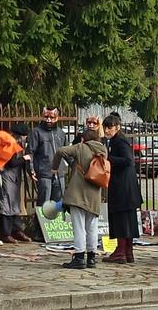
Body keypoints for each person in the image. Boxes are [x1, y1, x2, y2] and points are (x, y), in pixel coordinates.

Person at [51, 130, 108, 269]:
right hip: (94, 194)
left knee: (79, 227)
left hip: (78, 194)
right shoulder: (103, 151)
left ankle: (79, 257)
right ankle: (92, 258)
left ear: (83, 139)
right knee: (92, 227)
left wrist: (55, 168)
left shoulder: (81, 147)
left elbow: (60, 151)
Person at [102, 114, 142, 264]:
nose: (106, 130)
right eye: (105, 127)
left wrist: (108, 159)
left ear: (117, 127)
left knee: (122, 220)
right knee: (126, 220)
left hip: (123, 188)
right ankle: (126, 252)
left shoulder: (120, 140)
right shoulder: (115, 140)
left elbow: (128, 160)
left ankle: (122, 252)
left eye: (109, 127)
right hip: (124, 188)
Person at [0, 124, 33, 243]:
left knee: (15, 204)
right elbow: (11, 162)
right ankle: (5, 232)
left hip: (15, 176)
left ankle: (15, 229)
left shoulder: (16, 143)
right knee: (7, 203)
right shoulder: (11, 143)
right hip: (8, 175)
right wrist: (25, 158)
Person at [27, 107, 67, 206]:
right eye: (46, 117)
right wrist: (31, 169)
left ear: (57, 118)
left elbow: (67, 152)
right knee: (43, 204)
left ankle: (57, 222)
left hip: (59, 173)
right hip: (44, 173)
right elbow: (30, 152)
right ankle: (39, 222)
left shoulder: (61, 133)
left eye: (52, 117)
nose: (48, 119)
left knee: (58, 204)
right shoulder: (36, 132)